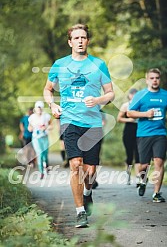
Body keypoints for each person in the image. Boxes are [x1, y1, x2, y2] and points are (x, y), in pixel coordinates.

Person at [43, 24, 115, 228]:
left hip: (92, 123)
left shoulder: (98, 64)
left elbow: (110, 94)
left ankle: (88, 192)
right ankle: (80, 211)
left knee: (90, 171)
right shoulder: (59, 64)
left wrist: (99, 99)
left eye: (83, 37)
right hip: (69, 121)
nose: (80, 41)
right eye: (76, 38)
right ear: (70, 42)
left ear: (88, 41)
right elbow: (48, 90)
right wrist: (52, 104)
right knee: (75, 165)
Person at [127, 68, 167, 202]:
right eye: (152, 78)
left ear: (159, 79)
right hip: (144, 134)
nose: (155, 80)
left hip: (160, 133)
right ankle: (143, 180)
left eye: (157, 78)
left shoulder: (165, 95)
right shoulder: (140, 95)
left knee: (159, 162)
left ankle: (156, 193)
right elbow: (130, 113)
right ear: (147, 80)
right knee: (143, 165)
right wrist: (145, 114)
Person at [117, 88, 140, 185]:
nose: (134, 96)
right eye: (132, 94)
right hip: (128, 132)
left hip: (139, 131)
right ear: (129, 95)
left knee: (138, 154)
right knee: (129, 155)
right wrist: (129, 120)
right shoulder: (126, 105)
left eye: (136, 94)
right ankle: (128, 172)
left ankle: (139, 176)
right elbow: (119, 118)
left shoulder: (141, 105)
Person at [28, 101, 52, 179]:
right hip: (36, 138)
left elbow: (51, 126)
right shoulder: (32, 117)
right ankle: (41, 172)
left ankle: (46, 165)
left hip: (45, 137)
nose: (39, 109)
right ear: (35, 108)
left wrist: (46, 127)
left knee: (45, 154)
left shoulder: (47, 116)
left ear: (42, 108)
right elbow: (29, 128)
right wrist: (31, 128)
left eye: (40, 108)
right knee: (40, 153)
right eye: (37, 108)